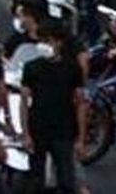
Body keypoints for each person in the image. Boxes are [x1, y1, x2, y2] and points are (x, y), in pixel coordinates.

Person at [19, 24, 87, 194]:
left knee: (66, 181)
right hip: (38, 130)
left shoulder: (72, 69)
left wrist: (81, 138)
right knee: (35, 182)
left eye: (48, 41)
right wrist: (26, 134)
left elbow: (80, 103)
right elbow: (24, 102)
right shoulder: (31, 68)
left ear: (59, 43)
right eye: (42, 41)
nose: (44, 45)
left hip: (63, 131)